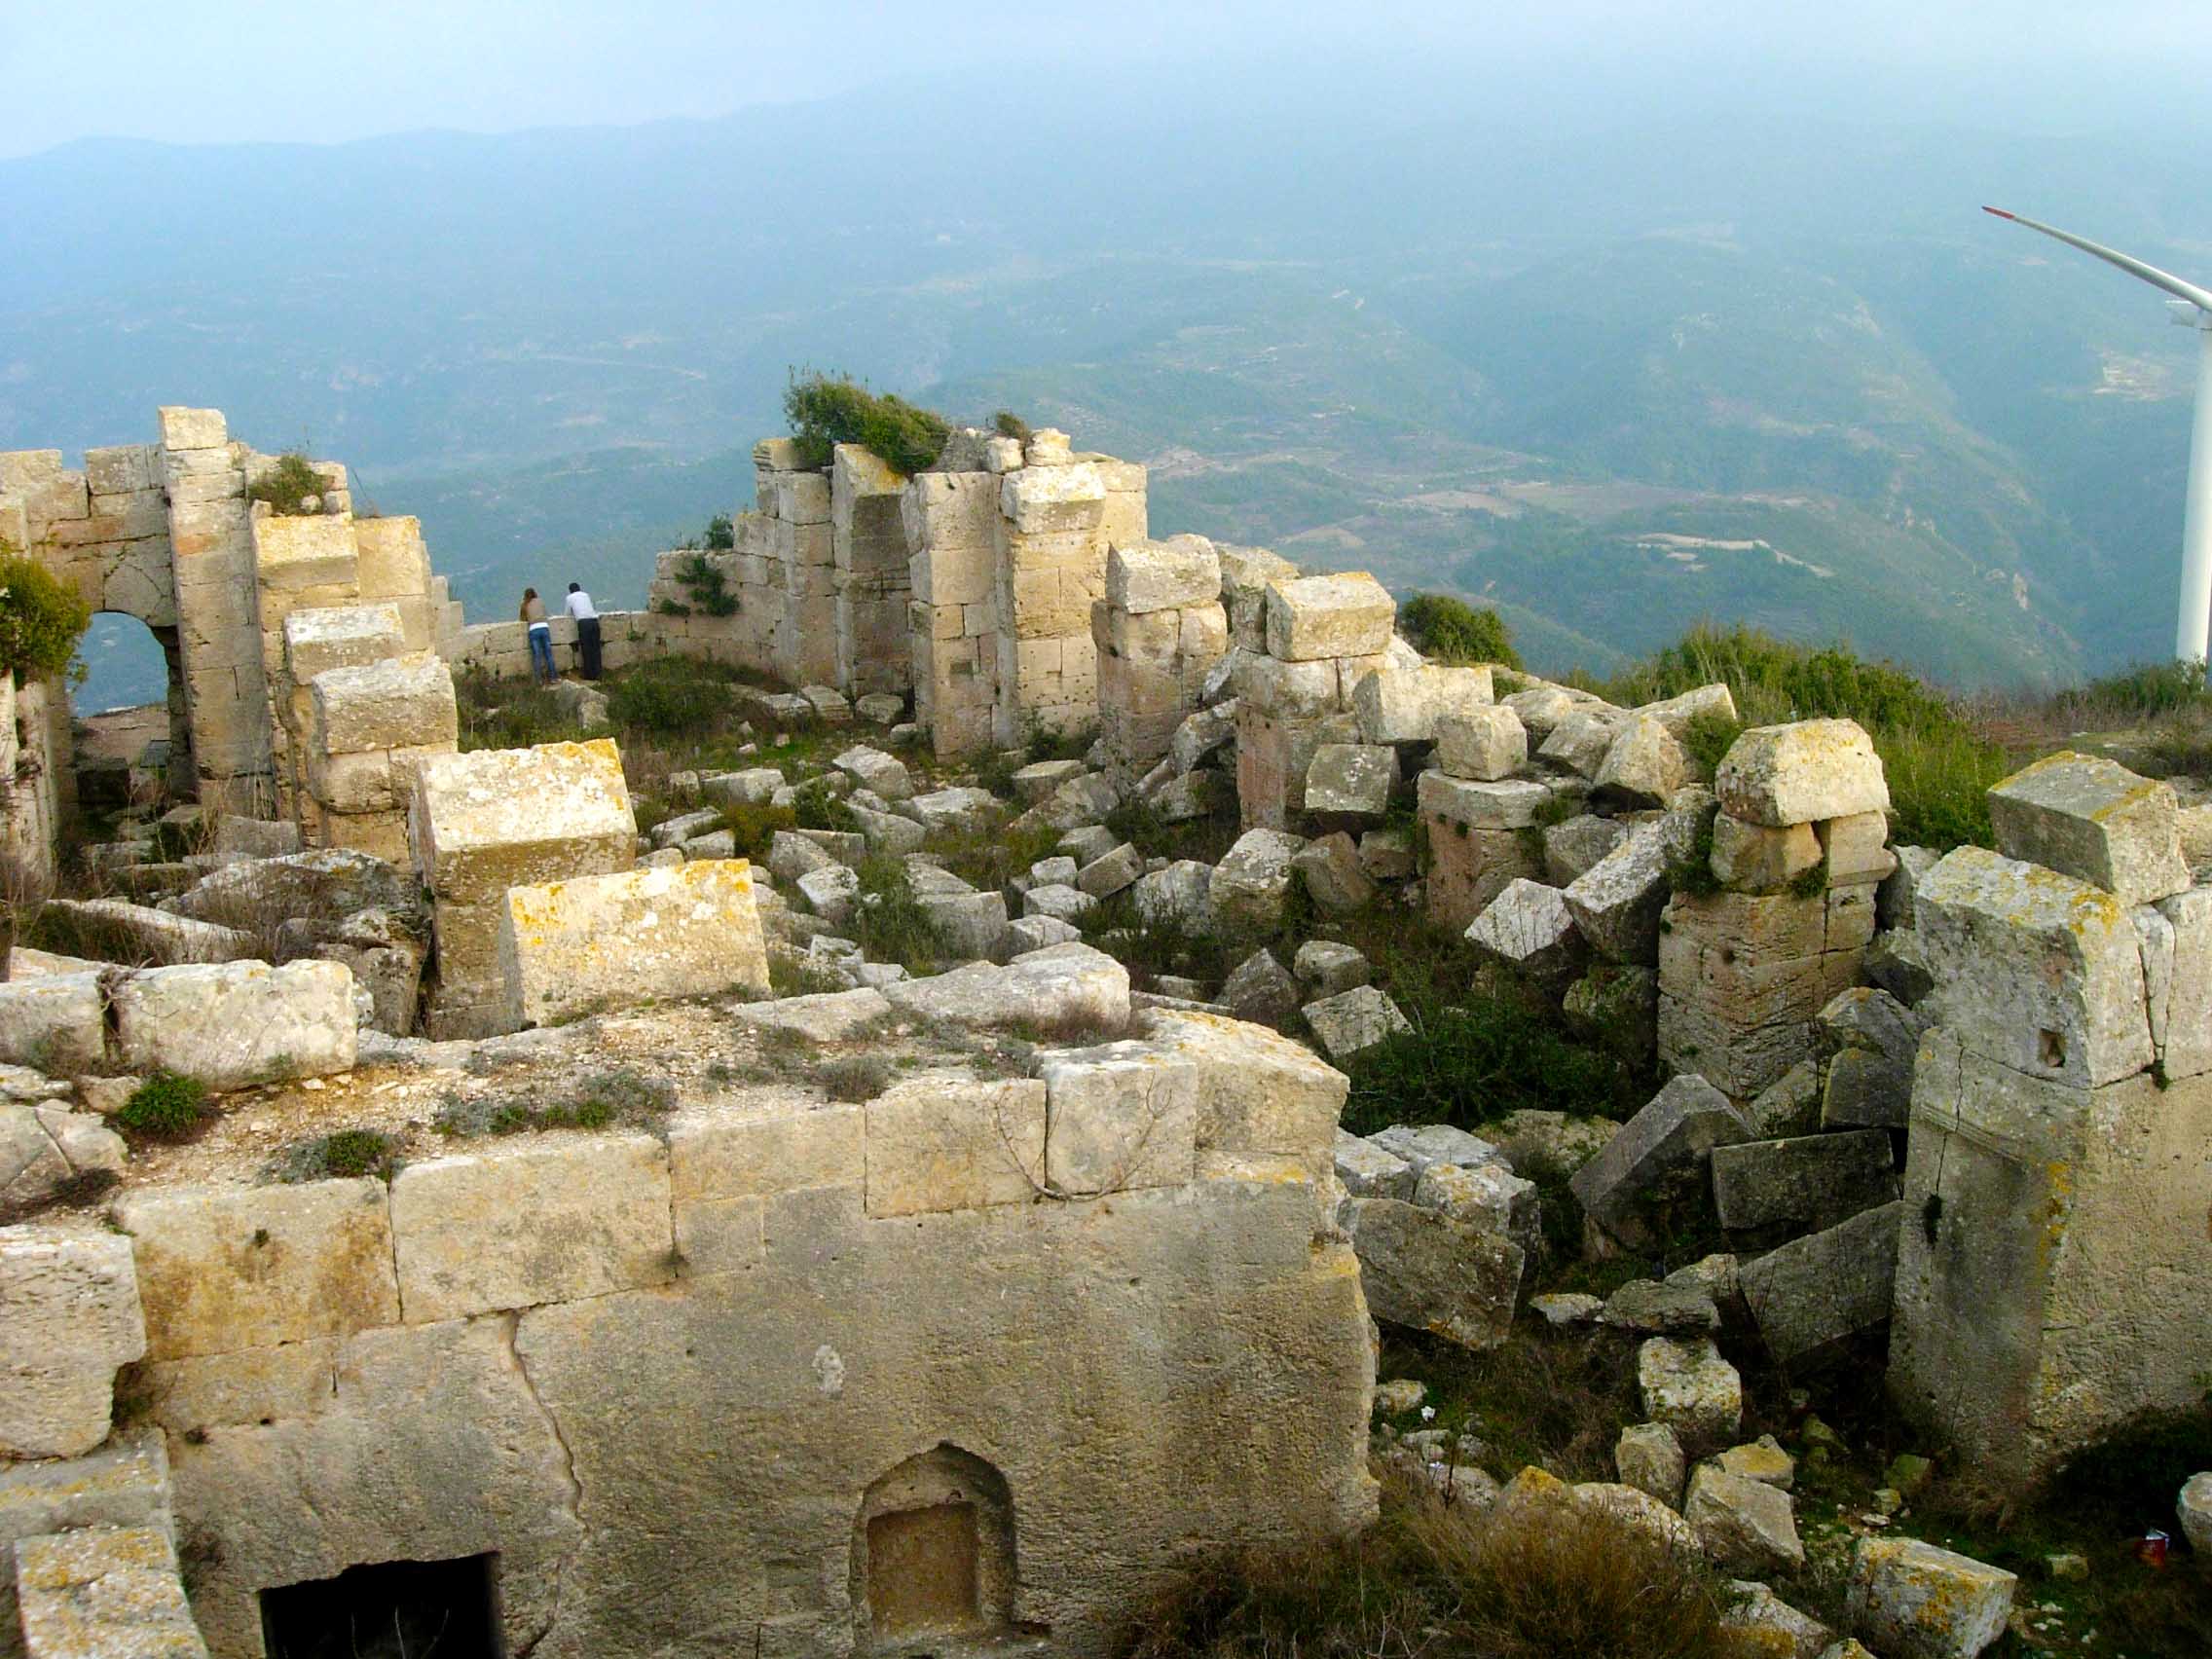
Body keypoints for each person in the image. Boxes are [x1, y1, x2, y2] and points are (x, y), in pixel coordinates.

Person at [566, 581, 602, 681]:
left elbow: (567, 613)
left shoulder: (570, 598)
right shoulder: (586, 595)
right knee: (596, 648)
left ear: (570, 591)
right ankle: (598, 673)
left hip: (584, 623)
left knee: (586, 649)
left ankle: (589, 674)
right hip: (594, 621)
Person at [520, 587, 555, 683]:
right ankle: (553, 678)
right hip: (544, 627)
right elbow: (545, 613)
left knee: (537, 655)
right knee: (549, 654)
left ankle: (539, 680)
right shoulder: (540, 601)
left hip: (534, 629)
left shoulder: (524, 604)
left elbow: (522, 619)